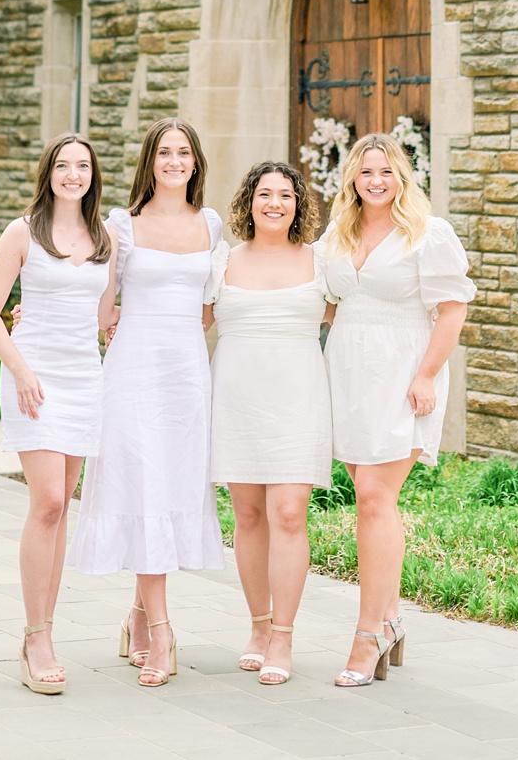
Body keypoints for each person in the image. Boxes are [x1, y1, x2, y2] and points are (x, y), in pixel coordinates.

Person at [66, 117, 225, 686]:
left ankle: (136, 614)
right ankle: (162, 632)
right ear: (149, 162)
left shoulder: (211, 224)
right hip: (132, 371)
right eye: (165, 153)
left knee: (169, 486)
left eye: (184, 152)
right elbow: (101, 308)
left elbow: (210, 310)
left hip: (186, 374)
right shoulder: (121, 225)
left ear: (195, 161)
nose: (175, 162)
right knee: (142, 484)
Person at [319, 132, 471, 688]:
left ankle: (367, 636)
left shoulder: (427, 235)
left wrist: (426, 374)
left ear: (402, 176)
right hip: (349, 376)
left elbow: (452, 311)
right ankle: (391, 619)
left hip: (404, 374)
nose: (375, 181)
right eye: (365, 173)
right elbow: (327, 305)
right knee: (371, 497)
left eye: (385, 172)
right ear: (352, 181)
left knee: (374, 498)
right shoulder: (337, 234)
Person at [0, 133, 116, 695]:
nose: (73, 174)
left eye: (82, 166)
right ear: (48, 172)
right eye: (63, 165)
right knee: (49, 501)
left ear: (92, 176)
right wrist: (22, 371)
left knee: (63, 510)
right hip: (33, 378)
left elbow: (106, 315)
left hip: (85, 379)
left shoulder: (103, 239)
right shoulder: (22, 231)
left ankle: (46, 631)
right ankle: (36, 638)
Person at [207, 158, 331, 688]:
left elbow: (364, 311)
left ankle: (283, 634)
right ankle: (258, 627)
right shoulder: (223, 261)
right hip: (236, 398)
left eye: (285, 194)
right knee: (249, 514)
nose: (274, 203)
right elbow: (180, 316)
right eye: (264, 194)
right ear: (249, 203)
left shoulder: (322, 261)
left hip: (298, 397)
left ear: (298, 203)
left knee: (287, 512)